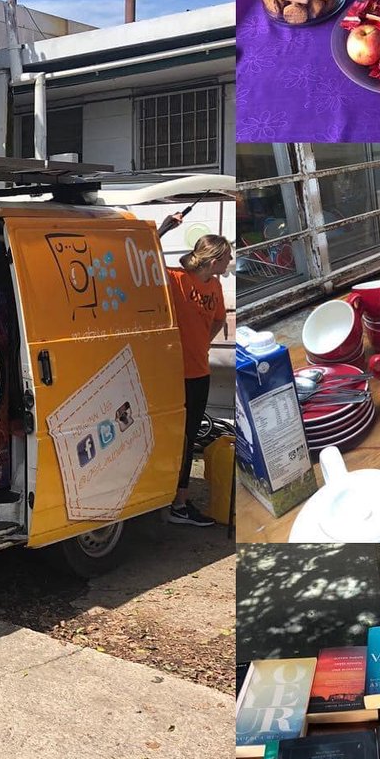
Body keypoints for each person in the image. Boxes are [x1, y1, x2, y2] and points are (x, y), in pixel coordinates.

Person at [159, 213, 232, 527]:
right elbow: (143, 256)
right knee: (174, 437)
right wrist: (163, 228)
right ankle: (172, 500)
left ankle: (179, 500)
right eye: (227, 257)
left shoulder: (214, 285)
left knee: (189, 437)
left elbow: (218, 319)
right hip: (172, 373)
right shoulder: (176, 279)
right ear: (213, 259)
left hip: (199, 371)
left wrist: (203, 344)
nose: (230, 262)